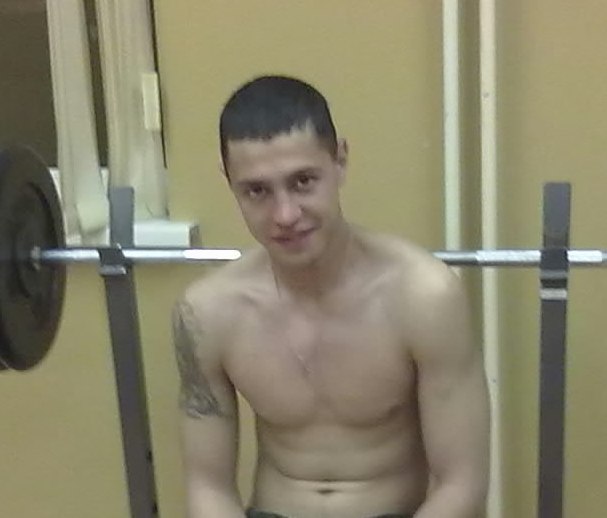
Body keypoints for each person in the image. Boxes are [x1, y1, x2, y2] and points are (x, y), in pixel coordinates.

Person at [172, 75, 490, 518]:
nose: (285, 214)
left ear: (339, 161)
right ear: (230, 183)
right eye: (257, 191)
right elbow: (208, 488)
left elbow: (462, 483)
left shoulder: (423, 296)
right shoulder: (207, 313)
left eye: (303, 181)